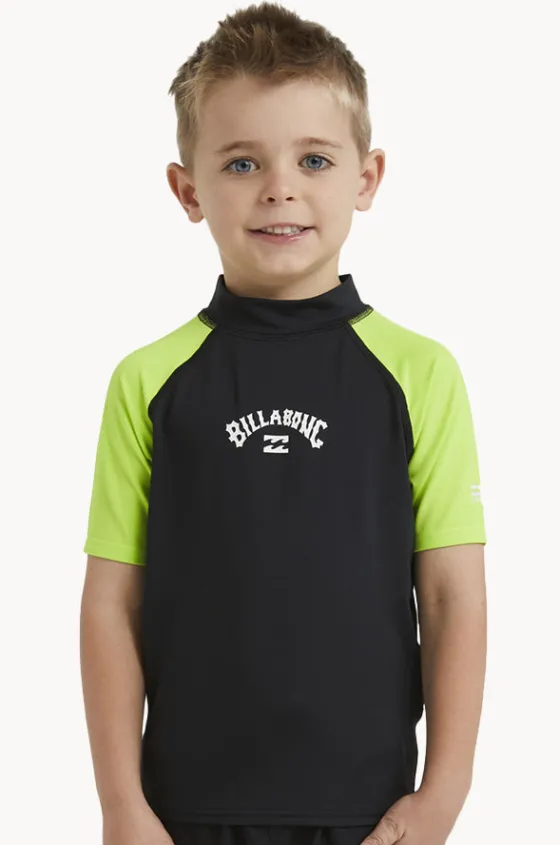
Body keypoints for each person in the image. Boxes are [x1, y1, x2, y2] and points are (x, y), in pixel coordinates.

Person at [80, 4, 488, 845]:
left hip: (371, 814)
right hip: (182, 813)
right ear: (188, 190)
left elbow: (452, 594)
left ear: (366, 179)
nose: (280, 188)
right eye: (241, 162)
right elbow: (113, 602)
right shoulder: (149, 381)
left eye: (314, 159)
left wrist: (443, 794)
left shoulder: (420, 374)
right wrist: (122, 805)